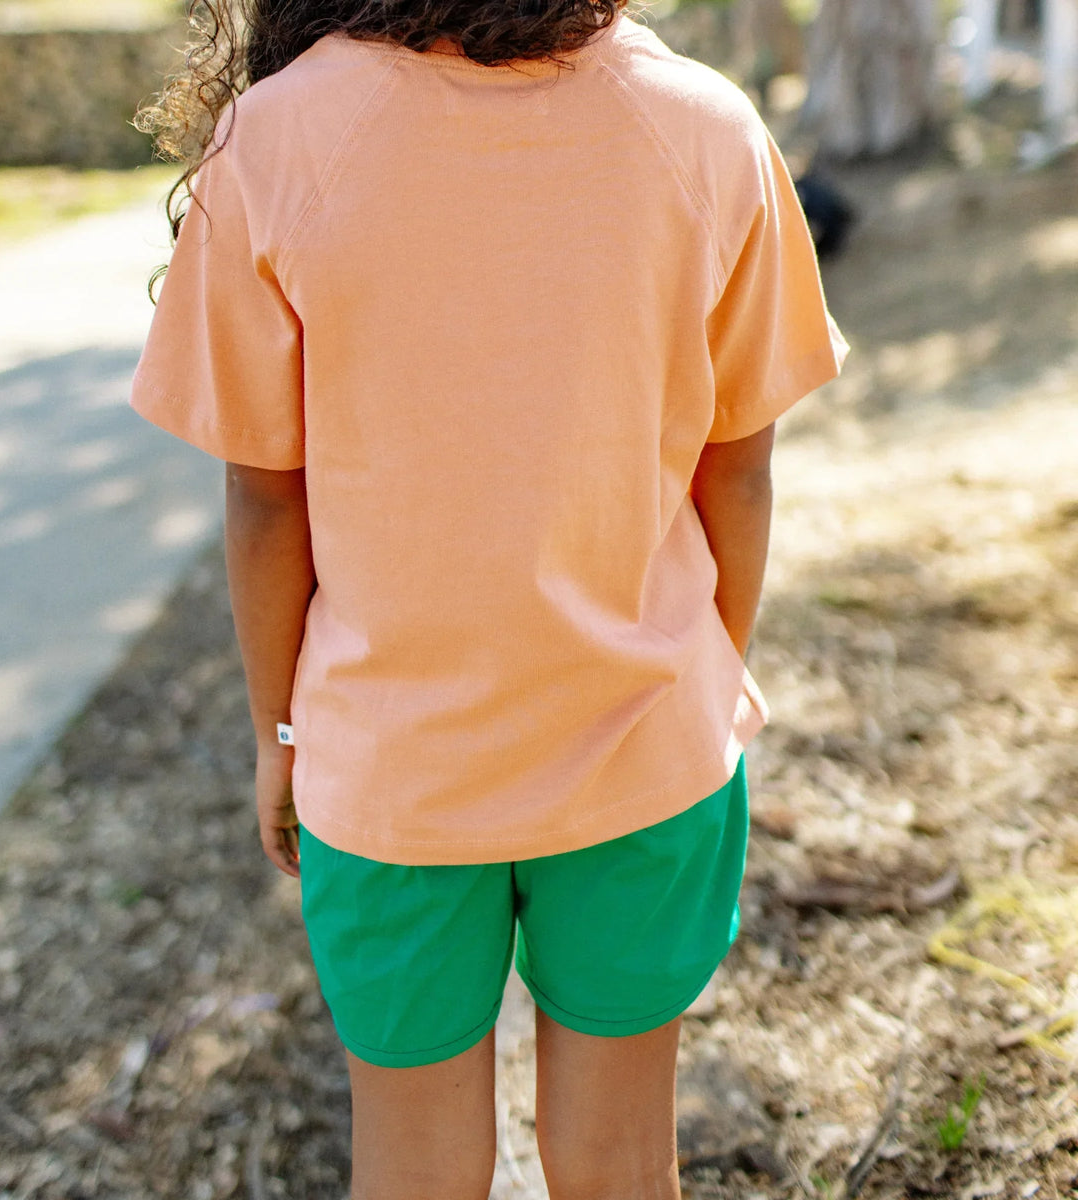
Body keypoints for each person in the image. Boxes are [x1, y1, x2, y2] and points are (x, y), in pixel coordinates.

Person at [131, 0, 847, 1195]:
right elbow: (741, 461)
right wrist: (705, 665)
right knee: (621, 1166)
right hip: (646, 756)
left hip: (390, 773)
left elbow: (267, 498)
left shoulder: (278, 137)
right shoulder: (706, 127)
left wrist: (279, 734)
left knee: (413, 1172)